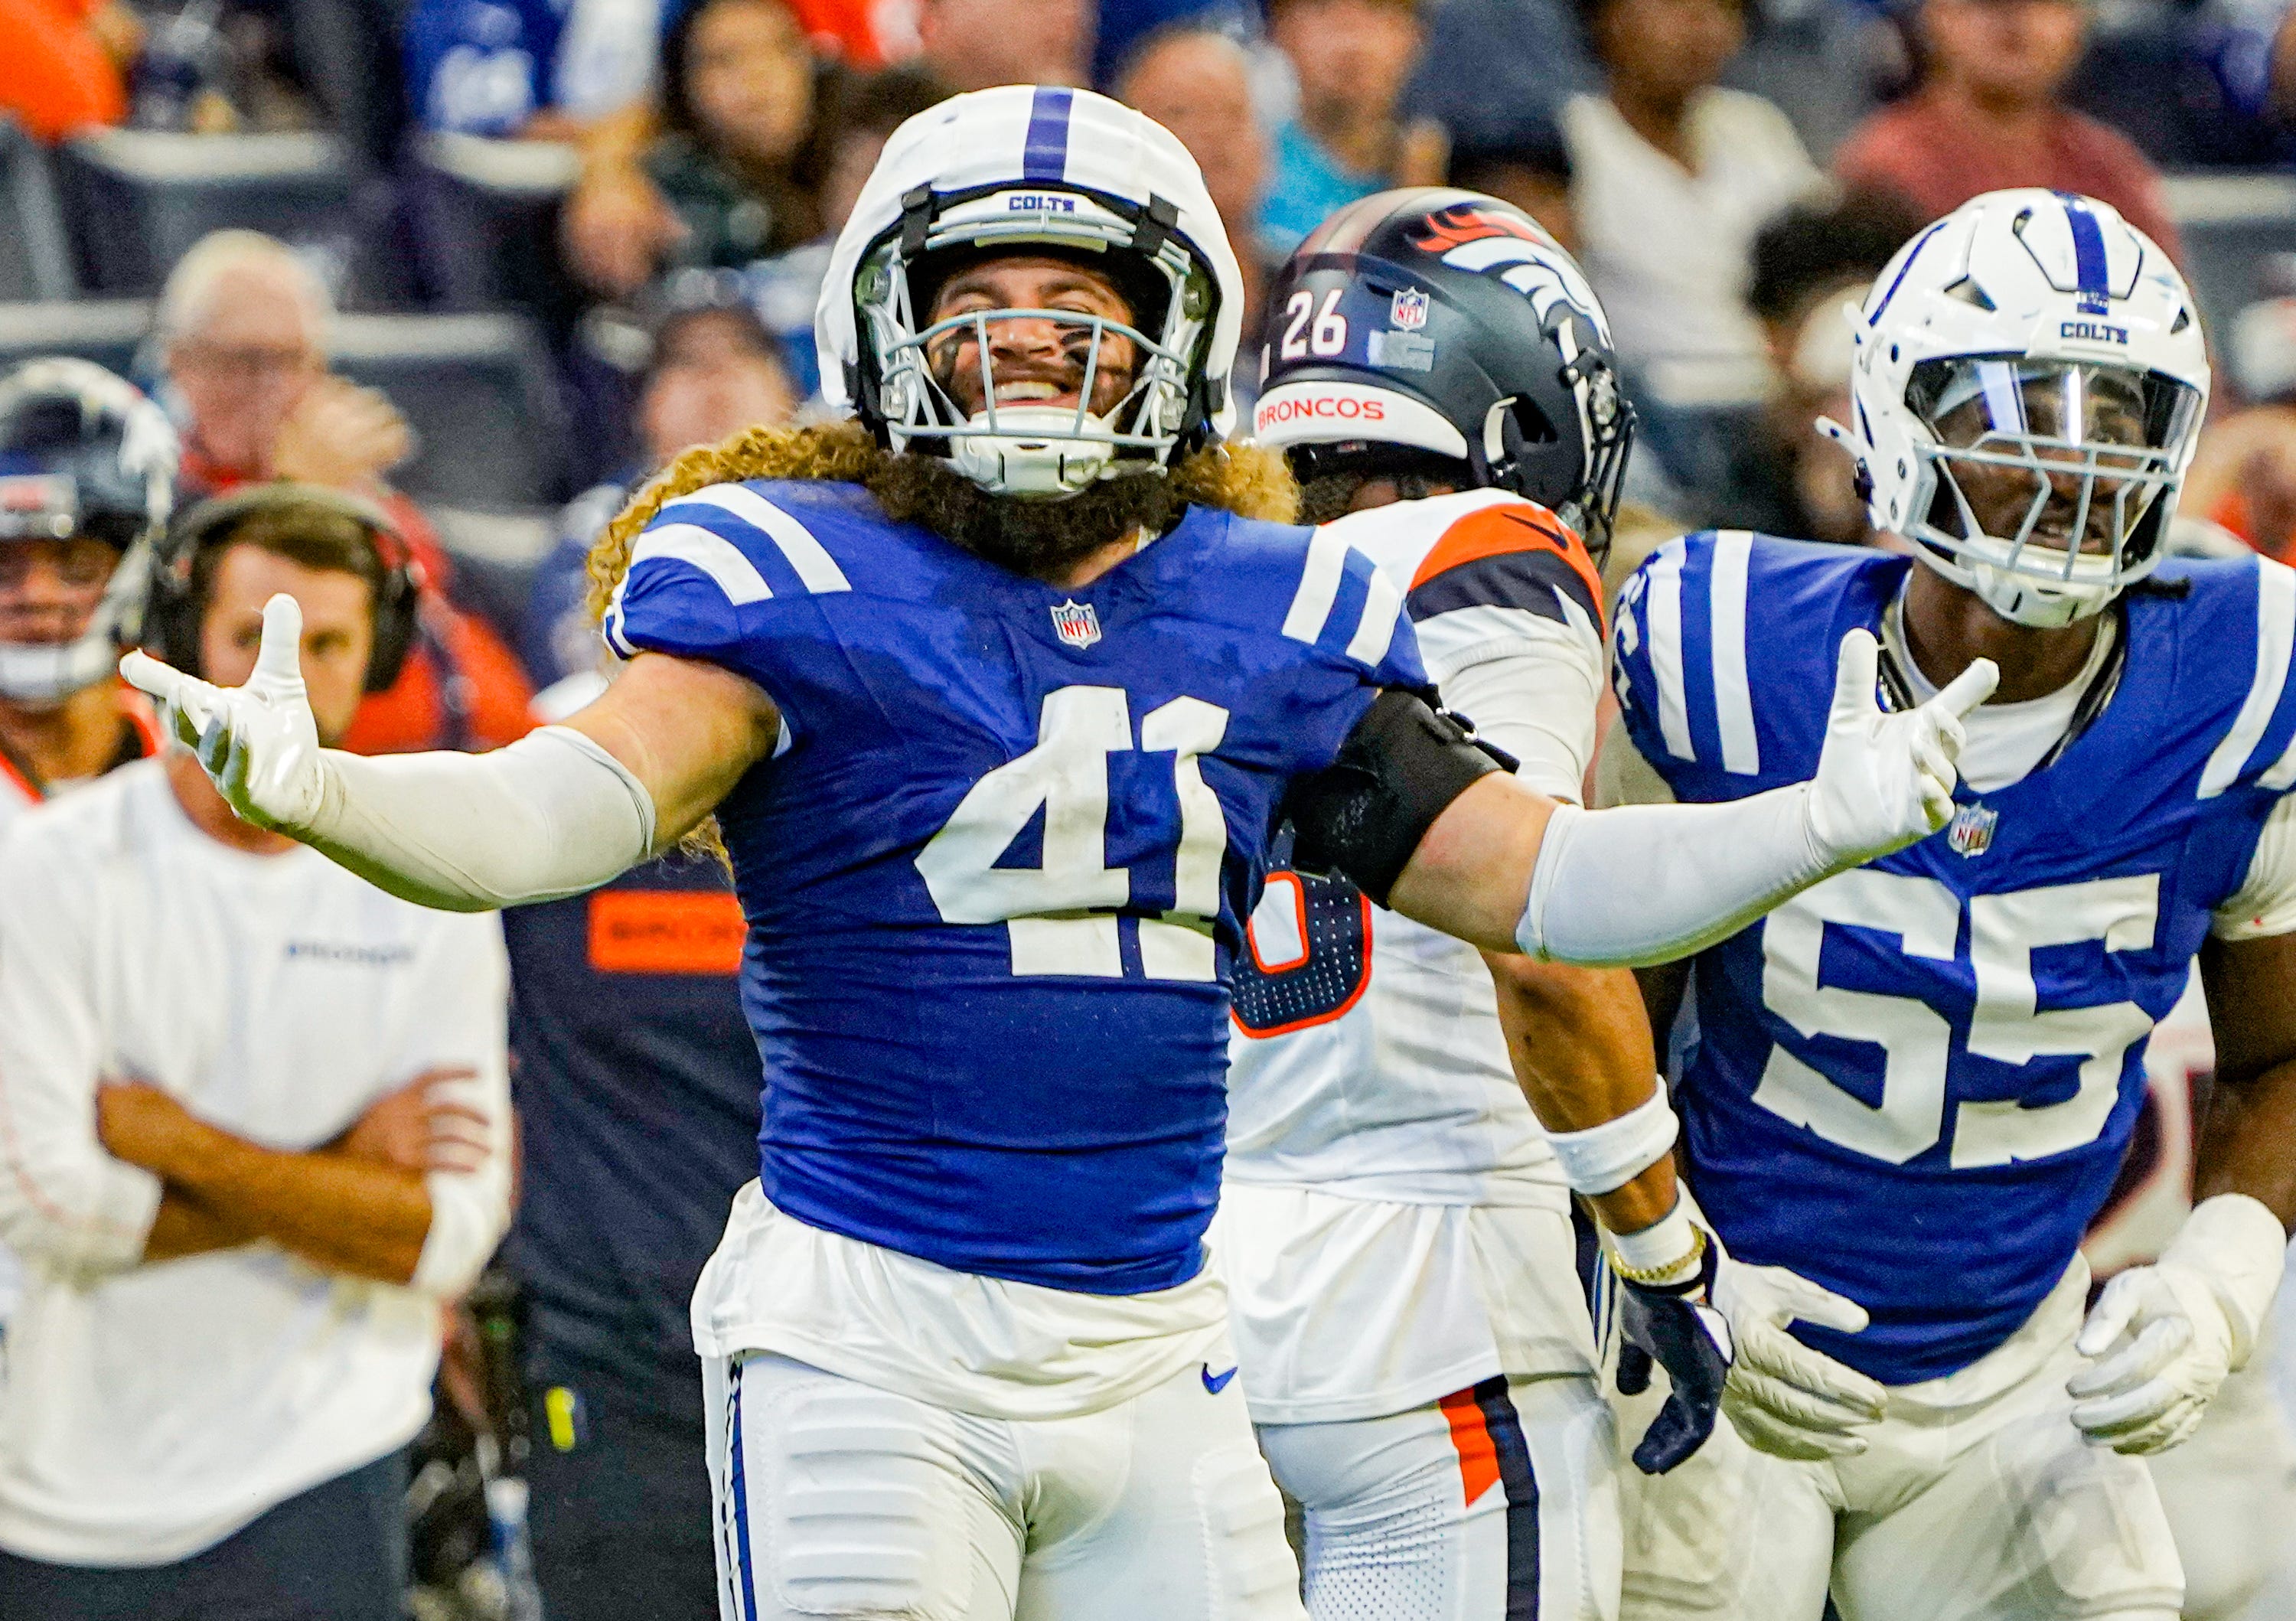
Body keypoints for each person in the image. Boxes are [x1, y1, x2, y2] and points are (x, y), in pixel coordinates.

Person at [123, 86, 1994, 1621]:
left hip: (1166, 1342)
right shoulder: (799, 572)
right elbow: (554, 814)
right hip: (875, 1331)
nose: (1026, 353)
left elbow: (1540, 887)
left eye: (1075, 309)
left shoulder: (1266, 600)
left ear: (1170, 339)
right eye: (980, 307)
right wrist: (339, 791)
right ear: (889, 327)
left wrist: (1817, 821)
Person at [1600, 189, 2295, 1621]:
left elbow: (2283, 1052)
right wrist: (1668, 1262)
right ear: (1891, 415)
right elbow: (1593, 1019)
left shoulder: (2243, 677)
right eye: (2014, 407)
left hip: (2011, 1369)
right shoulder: (1723, 647)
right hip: (1729, 1336)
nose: (2067, 457)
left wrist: (2222, 1272)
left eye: (2116, 412)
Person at [1226, 188, 1656, 1619]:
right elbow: (1536, 921)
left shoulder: (1189, 581)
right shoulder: (1483, 550)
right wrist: (1666, 1246)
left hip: (1191, 1296)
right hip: (1445, 1293)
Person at [0, 482, 513, 1619]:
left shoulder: (436, 881)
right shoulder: (46, 868)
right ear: (181, 641)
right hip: (58, 1479)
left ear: (377, 657)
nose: (286, 677)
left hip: (326, 1465)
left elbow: (445, 1236)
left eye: (326, 642)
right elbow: (51, 1211)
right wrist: (343, 1171)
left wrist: (173, 1142)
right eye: (252, 636)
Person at [158, 230, 535, 752]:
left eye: (289, 361)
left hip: (482, 761)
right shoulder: (157, 501)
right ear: (180, 363)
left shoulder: (364, 489)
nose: (271, 390)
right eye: (241, 361)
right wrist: (296, 499)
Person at [0, 358, 177, 1345]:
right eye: (5, 562)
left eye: (73, 561)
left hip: (189, 1275)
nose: (33, 595)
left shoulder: (223, 775)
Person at [1562, 0, 1822, 514]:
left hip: (1778, 406)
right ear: (1608, 20)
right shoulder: (1569, 139)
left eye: (1720, 9)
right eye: (1673, 7)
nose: (1699, 26)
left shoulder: (1757, 126)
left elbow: (1825, 265)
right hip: (1651, 413)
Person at [526, 295, 800, 690]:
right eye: (687, 361)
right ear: (646, 406)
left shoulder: (837, 506)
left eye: (743, 354)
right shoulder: (599, 520)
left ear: (788, 392)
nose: (716, 380)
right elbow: (569, 660)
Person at [1834, 0, 2185, 260]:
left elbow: (2179, 332)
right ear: (1933, 15)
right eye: (1988, 3)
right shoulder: (1887, 167)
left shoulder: (2110, 166)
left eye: (2045, 3)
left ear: (2079, 20)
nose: (2016, 21)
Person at [1115, 23, 1274, 338]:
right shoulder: (1107, 298)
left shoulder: (1302, 289)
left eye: (1233, 112)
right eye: (1183, 113)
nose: (1214, 133)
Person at [1261, 0, 1450, 255]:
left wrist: (1418, 193)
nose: (1349, 32)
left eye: (1376, 7)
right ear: (1280, 31)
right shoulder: (1246, 168)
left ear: (1415, 35)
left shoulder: (1462, 163)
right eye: (1322, 7)